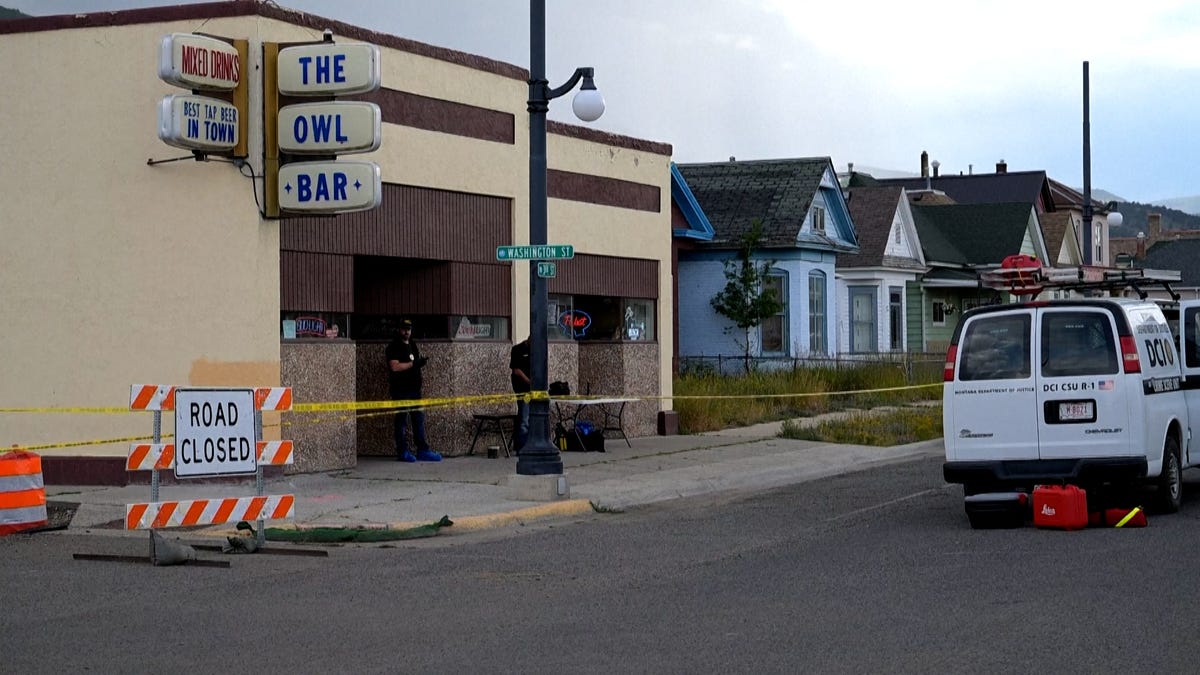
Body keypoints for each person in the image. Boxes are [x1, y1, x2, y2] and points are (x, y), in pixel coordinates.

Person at [386, 319, 441, 462]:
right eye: (404, 329)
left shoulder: (412, 344)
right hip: (401, 391)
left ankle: (422, 450)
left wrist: (419, 363)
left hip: (415, 390)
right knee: (401, 421)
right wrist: (413, 364)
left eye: (409, 329)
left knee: (418, 420)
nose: (407, 332)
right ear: (399, 329)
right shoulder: (393, 346)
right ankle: (402, 451)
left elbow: (414, 362)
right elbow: (394, 367)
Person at [509, 337, 532, 452]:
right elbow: (516, 370)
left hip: (533, 390)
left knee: (529, 417)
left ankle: (528, 444)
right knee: (524, 417)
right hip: (522, 388)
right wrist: (529, 381)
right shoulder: (517, 350)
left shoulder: (536, 351)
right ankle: (522, 447)